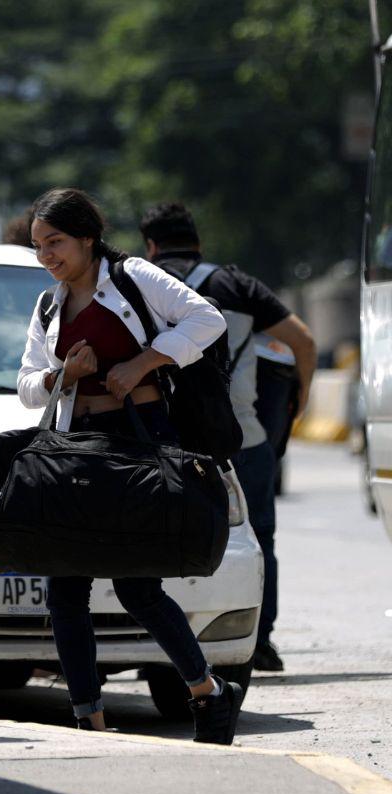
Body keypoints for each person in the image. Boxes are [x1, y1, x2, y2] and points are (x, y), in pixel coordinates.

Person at [18, 188, 242, 744]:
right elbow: (25, 385)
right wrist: (60, 376)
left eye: (56, 242)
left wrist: (146, 360)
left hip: (140, 441)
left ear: (88, 238)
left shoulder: (134, 275)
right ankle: (89, 719)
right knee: (64, 590)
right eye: (39, 246)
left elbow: (205, 319)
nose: (47, 255)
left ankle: (208, 693)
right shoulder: (48, 304)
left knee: (138, 586)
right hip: (76, 446)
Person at [140, 202, 316, 672]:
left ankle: (160, 639)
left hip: (165, 442)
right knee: (258, 538)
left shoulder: (140, 287)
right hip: (245, 439)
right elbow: (303, 342)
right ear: (197, 241)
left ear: (151, 245)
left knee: (158, 541)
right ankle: (257, 640)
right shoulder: (236, 284)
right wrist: (298, 407)